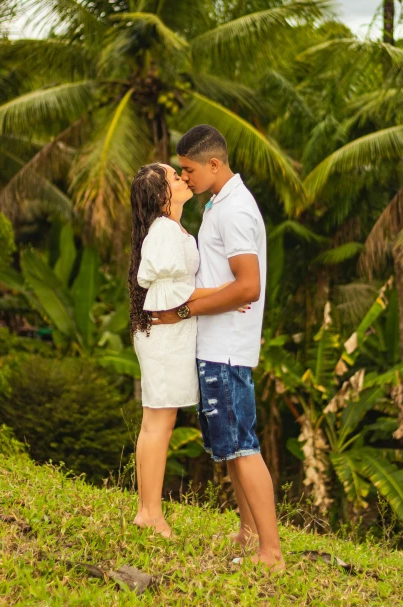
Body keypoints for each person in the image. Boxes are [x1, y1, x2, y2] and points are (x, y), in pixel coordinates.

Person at [152, 125, 285, 570]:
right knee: (230, 450)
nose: (184, 178)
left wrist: (186, 309)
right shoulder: (218, 204)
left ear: (213, 164)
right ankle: (249, 535)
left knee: (243, 449)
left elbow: (248, 287)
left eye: (188, 169)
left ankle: (271, 551)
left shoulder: (235, 211)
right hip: (216, 347)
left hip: (226, 349)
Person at [129, 163, 248, 538]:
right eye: (174, 176)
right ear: (163, 194)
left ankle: (148, 510)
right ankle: (150, 513)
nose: (182, 178)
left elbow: (179, 291)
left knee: (157, 422)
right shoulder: (163, 232)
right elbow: (171, 298)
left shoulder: (171, 228)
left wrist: (225, 295)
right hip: (165, 338)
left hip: (172, 337)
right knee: (157, 424)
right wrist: (227, 295)